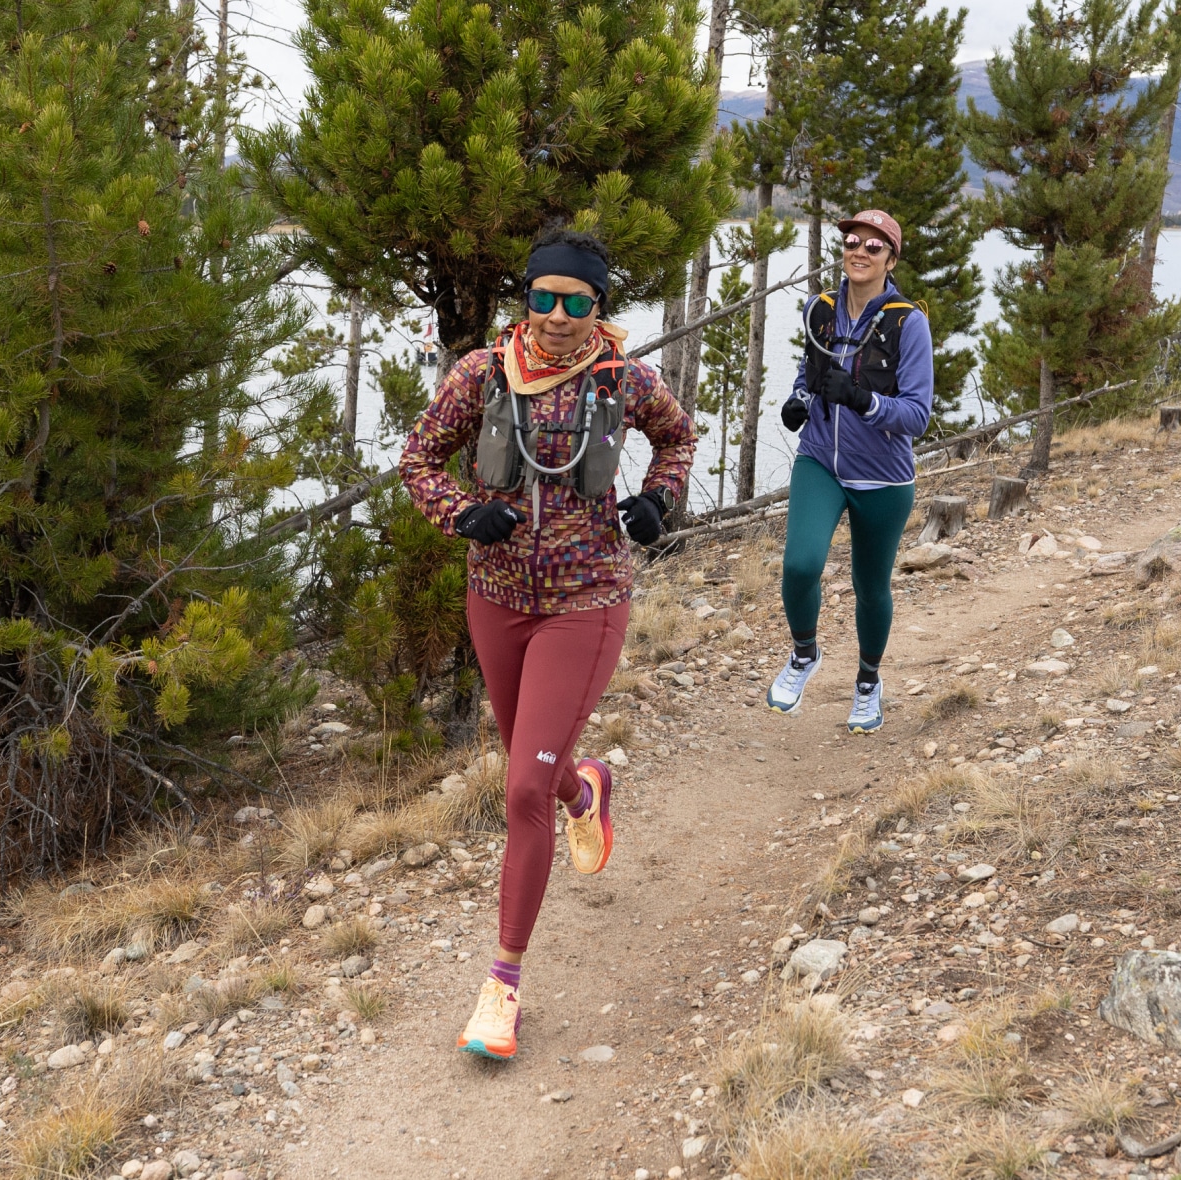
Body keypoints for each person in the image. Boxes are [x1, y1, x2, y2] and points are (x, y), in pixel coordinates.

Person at [399, 229, 697, 1061]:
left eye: (577, 302)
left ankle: (502, 989)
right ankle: (585, 787)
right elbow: (417, 458)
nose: (558, 317)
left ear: (599, 308)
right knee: (538, 765)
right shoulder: (480, 375)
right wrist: (462, 513)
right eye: (544, 298)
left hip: (586, 601)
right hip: (495, 599)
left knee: (520, 793)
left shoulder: (625, 381)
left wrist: (659, 499)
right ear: (523, 297)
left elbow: (678, 438)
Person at [767, 209, 932, 733]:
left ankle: (867, 682)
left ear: (891, 258)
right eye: (852, 241)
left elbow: (918, 415)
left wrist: (863, 401)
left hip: (884, 477)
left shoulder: (908, 322)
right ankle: (803, 654)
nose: (860, 251)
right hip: (820, 459)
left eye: (874, 246)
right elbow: (807, 370)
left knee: (870, 586)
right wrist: (798, 400)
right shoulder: (821, 308)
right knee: (799, 566)